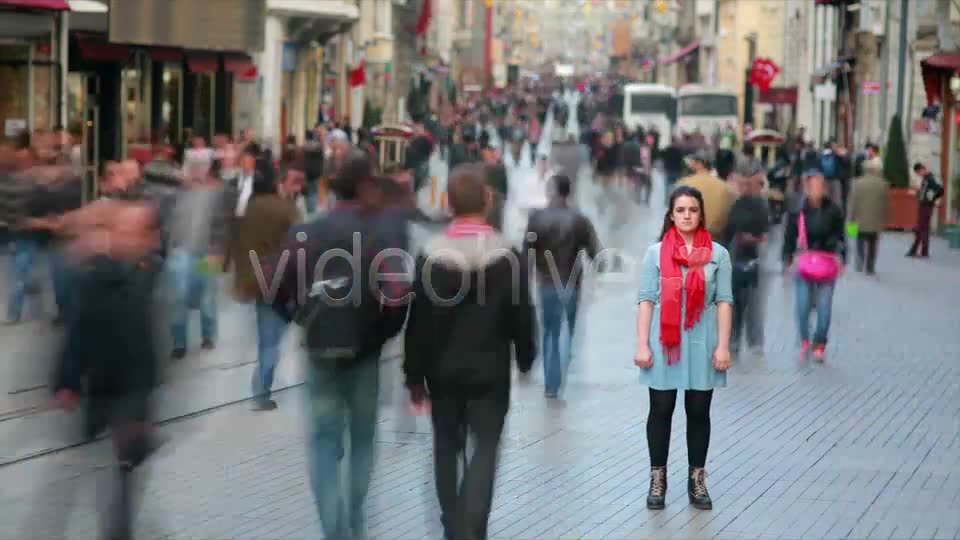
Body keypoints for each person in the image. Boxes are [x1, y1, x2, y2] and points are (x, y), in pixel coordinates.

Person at [269, 148, 409, 539]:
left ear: (330, 187)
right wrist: (381, 334)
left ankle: (335, 529)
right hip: (363, 354)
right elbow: (399, 294)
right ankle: (354, 520)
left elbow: (274, 287)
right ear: (367, 186)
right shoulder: (380, 235)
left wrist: (300, 320)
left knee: (322, 443)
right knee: (362, 440)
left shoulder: (306, 232)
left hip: (320, 352)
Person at [404, 164, 536, 540]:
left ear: (448, 204)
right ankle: (472, 526)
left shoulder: (431, 254)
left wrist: (414, 375)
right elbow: (521, 314)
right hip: (490, 372)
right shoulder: (506, 254)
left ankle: (452, 523)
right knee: (485, 449)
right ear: (487, 200)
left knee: (446, 447)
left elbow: (419, 321)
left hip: (442, 374)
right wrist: (526, 356)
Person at [634, 185, 733, 511]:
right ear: (671, 214)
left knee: (698, 412)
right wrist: (642, 344)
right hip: (666, 344)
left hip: (702, 341)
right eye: (681, 210)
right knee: (660, 411)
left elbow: (724, 302)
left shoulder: (719, 254)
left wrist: (723, 346)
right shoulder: (655, 253)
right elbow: (647, 300)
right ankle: (657, 479)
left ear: (701, 213)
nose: (687, 215)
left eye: (692, 209)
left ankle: (697, 480)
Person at [228, 171, 300, 410]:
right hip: (279, 281)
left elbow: (233, 244)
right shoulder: (285, 209)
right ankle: (261, 392)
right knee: (272, 340)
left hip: (253, 281)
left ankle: (261, 388)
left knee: (266, 339)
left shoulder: (245, 211)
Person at [524, 174, 600, 398]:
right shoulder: (579, 219)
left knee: (549, 332)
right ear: (568, 192)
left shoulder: (536, 218)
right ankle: (559, 376)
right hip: (571, 283)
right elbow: (595, 252)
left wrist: (523, 282)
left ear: (550, 191)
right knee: (567, 331)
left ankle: (551, 382)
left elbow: (526, 252)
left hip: (547, 283)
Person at [782, 169, 846, 362]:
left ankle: (820, 342)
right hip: (804, 262)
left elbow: (843, 235)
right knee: (802, 306)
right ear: (807, 188)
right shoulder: (798, 210)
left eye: (820, 185)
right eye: (813, 185)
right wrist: (787, 260)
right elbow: (789, 237)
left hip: (826, 263)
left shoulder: (834, 210)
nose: (817, 189)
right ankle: (804, 339)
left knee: (824, 307)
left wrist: (843, 255)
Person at [722, 173, 769, 356]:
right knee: (743, 300)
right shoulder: (743, 205)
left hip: (745, 258)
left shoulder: (750, 205)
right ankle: (746, 341)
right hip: (741, 258)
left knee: (746, 300)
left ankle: (740, 340)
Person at [846, 150, 888, 274]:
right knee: (873, 244)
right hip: (875, 221)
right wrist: (884, 219)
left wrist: (850, 220)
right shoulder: (883, 184)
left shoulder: (857, 184)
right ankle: (870, 266)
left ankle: (860, 261)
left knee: (859, 241)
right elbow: (885, 204)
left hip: (860, 221)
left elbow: (853, 203)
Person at [678, 151, 734, 240]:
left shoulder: (683, 183)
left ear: (699, 164)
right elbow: (728, 214)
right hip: (715, 237)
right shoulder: (723, 187)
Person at [906, 162, 944, 258]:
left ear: (921, 169)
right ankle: (924, 251)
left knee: (920, 228)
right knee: (924, 229)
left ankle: (914, 250)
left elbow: (940, 190)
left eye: (918, 172)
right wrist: (918, 192)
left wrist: (932, 198)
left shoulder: (929, 178)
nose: (918, 175)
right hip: (926, 205)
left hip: (925, 206)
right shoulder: (927, 178)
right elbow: (925, 192)